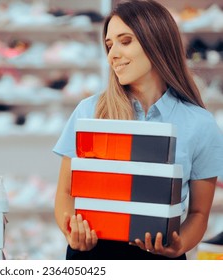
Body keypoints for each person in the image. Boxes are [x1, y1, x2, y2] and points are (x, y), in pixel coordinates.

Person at [53, 0, 223, 260]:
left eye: (125, 41)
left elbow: (199, 213)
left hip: (161, 258)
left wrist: (179, 245)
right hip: (93, 256)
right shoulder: (89, 111)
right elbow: (65, 194)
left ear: (156, 41)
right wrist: (73, 232)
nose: (112, 55)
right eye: (109, 45)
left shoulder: (199, 123)